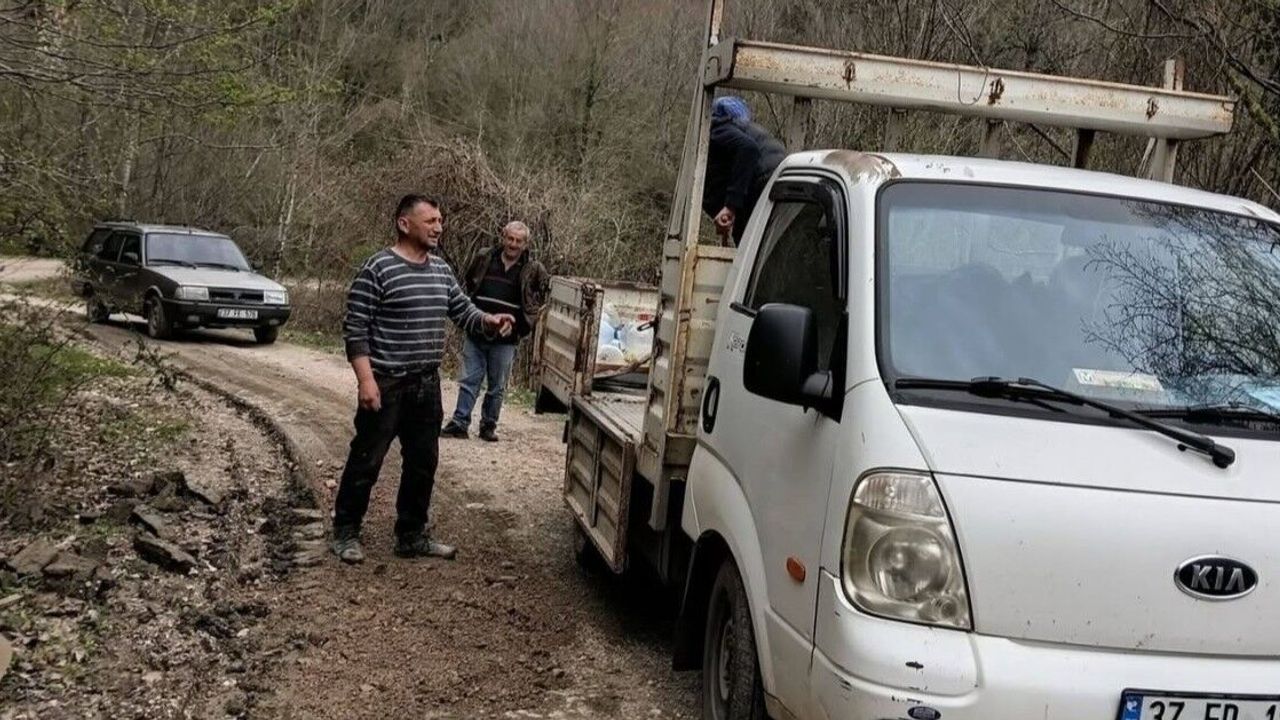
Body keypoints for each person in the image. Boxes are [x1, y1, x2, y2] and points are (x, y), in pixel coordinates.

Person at [331, 194, 515, 564]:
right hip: (387, 384)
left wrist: (488, 321)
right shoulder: (378, 268)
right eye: (430, 221)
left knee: (422, 464)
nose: (438, 227)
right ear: (404, 224)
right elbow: (356, 329)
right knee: (367, 460)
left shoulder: (441, 271)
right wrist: (366, 380)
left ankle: (411, 535)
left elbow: (462, 309)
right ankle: (346, 532)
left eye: (440, 221)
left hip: (426, 386)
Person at [441, 221, 549, 442]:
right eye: (510, 238)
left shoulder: (532, 269)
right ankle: (460, 423)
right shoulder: (485, 258)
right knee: (469, 380)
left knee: (497, 385)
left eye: (518, 241)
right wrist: (475, 316)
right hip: (477, 329)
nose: (513, 244)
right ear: (503, 237)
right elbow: (470, 283)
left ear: (526, 243)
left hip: (506, 338)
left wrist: (520, 327)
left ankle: (488, 426)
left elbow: (538, 302)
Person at [702, 95, 786, 245]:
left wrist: (730, 206)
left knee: (746, 239)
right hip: (785, 175)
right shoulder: (751, 131)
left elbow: (748, 149)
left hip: (764, 178)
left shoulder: (718, 128)